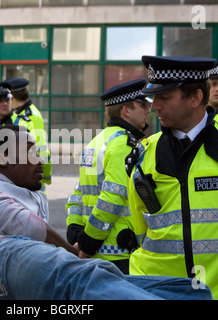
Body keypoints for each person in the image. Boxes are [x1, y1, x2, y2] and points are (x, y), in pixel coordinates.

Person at [0, 124, 213, 300]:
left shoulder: (34, 194)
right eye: (31, 151)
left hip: (23, 269)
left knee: (187, 290)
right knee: (88, 273)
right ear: (1, 158)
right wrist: (75, 254)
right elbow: (22, 225)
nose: (41, 160)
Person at [126, 55, 218, 300]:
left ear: (195, 97)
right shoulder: (143, 157)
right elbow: (143, 232)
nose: (155, 107)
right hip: (163, 293)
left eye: (164, 97)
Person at [65, 78, 151, 274]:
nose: (148, 110)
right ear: (126, 110)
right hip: (117, 252)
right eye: (142, 105)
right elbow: (112, 198)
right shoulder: (123, 144)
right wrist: (88, 242)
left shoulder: (97, 140)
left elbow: (78, 194)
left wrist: (76, 232)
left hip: (93, 249)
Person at [3, 77, 52, 187]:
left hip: (31, 180)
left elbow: (39, 148)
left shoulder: (31, 116)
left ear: (13, 96)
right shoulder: (21, 112)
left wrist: (44, 175)